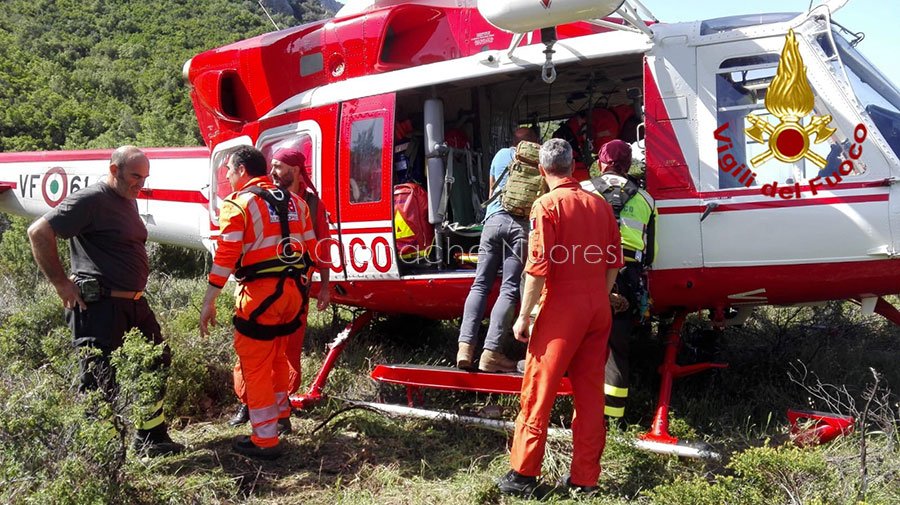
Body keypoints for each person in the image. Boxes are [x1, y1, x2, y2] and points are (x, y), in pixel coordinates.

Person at [27, 146, 184, 458]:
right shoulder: (92, 199)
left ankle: (151, 438)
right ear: (114, 170)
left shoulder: (127, 201)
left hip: (133, 305)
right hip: (98, 306)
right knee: (99, 380)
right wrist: (61, 284)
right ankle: (104, 457)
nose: (141, 183)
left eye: (145, 177)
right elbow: (39, 232)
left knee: (156, 360)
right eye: (135, 176)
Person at [499, 138, 622, 498]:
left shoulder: (546, 205)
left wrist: (523, 317)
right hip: (597, 306)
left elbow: (537, 269)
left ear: (542, 171)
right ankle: (585, 479)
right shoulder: (599, 204)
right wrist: (600, 295)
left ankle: (523, 474)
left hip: (563, 308)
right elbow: (613, 261)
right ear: (573, 167)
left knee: (539, 390)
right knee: (590, 397)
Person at [199, 146, 318, 459]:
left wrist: (209, 299)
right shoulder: (297, 202)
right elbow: (312, 249)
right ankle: (281, 416)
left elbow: (226, 256)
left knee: (255, 366)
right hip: (293, 295)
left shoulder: (237, 205)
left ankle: (265, 439)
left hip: (260, 297)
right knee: (278, 356)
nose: (225, 176)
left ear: (241, 171)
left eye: (228, 171)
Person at [228, 145, 332, 427]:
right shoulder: (261, 198)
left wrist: (324, 286)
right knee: (251, 354)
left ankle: (281, 405)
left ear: (295, 170)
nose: (272, 172)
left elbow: (322, 248)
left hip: (295, 292)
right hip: (261, 290)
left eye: (277, 166)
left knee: (288, 352)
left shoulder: (310, 204)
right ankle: (248, 404)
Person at [581, 139, 657, 422]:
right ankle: (612, 418)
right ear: (628, 165)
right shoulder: (647, 199)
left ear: (601, 163)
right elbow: (651, 252)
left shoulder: (583, 190)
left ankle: (582, 411)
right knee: (617, 346)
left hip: (588, 271)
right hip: (628, 274)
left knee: (582, 340)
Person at [456, 127, 539, 373]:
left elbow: (492, 192)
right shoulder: (539, 158)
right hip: (520, 228)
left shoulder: (501, 155)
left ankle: (465, 349)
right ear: (535, 143)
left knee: (480, 284)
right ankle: (491, 354)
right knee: (510, 287)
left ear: (514, 141)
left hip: (492, 223)